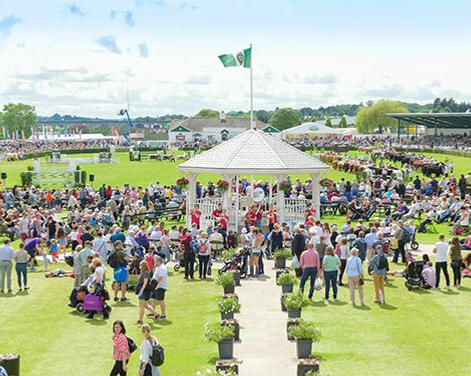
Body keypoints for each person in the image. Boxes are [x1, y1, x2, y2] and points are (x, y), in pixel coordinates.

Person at [137, 261, 157, 325]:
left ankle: (140, 320)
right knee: (145, 305)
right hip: (144, 291)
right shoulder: (144, 272)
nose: (139, 266)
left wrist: (141, 291)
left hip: (144, 292)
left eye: (141, 265)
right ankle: (156, 314)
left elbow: (145, 283)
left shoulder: (145, 273)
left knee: (141, 306)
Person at [152, 254, 168, 320]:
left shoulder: (162, 268)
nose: (154, 262)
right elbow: (154, 274)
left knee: (161, 300)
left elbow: (160, 277)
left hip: (160, 286)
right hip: (156, 286)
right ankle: (153, 312)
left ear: (158, 261)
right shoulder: (158, 267)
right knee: (153, 299)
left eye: (155, 261)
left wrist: (155, 284)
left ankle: (163, 315)